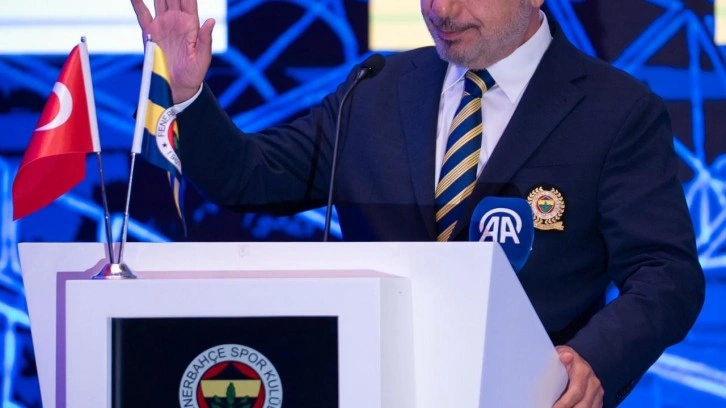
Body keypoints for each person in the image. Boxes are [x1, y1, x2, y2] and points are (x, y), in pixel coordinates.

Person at [130, 0, 705, 406]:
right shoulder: (374, 89)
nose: (441, 10)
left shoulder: (615, 110)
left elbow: (666, 273)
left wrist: (595, 357)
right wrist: (187, 93)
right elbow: (247, 177)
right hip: (376, 388)